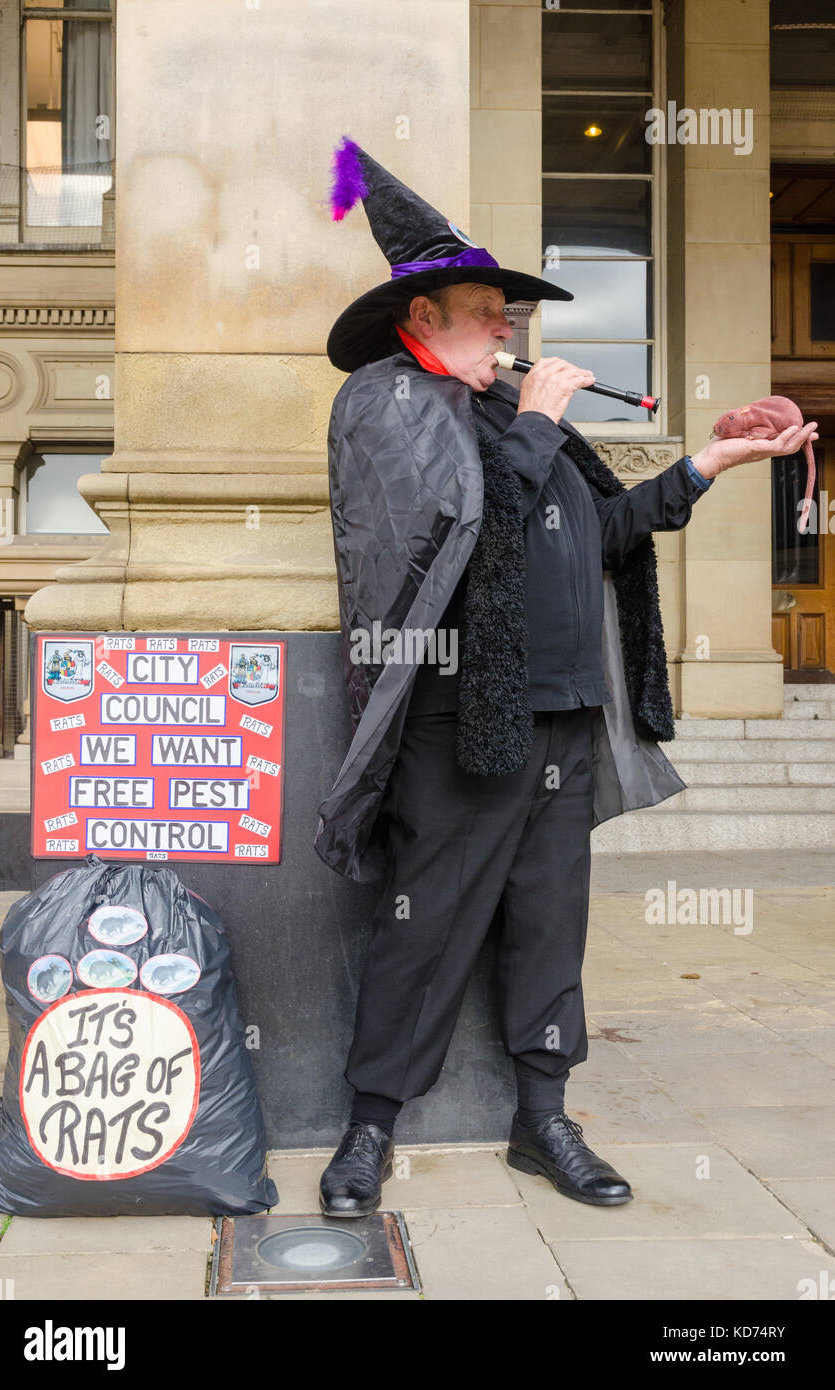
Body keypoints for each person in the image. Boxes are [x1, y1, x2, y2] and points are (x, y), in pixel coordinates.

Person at [314, 137, 818, 1216]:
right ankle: (369, 1129)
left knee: (551, 924)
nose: (511, 326)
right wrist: (542, 417)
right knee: (424, 921)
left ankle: (544, 1118)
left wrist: (707, 466)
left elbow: (602, 533)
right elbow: (456, 526)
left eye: (509, 310)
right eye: (487, 309)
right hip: (458, 718)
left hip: (559, 718)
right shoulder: (387, 404)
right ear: (422, 324)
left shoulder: (511, 417)